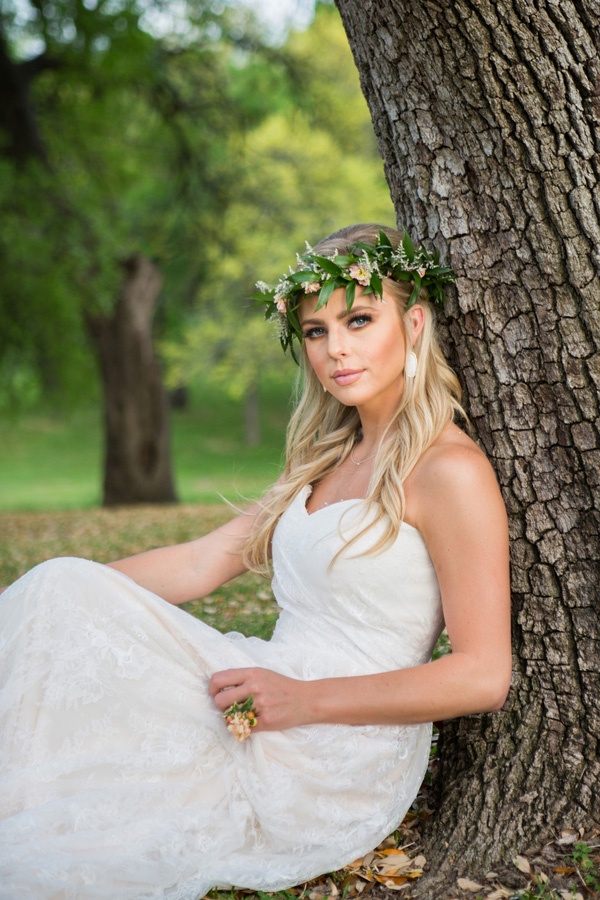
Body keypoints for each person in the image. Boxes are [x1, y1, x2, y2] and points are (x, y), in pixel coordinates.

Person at [0, 224, 511, 899]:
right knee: (58, 588)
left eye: (359, 320)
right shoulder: (327, 459)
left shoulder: (450, 471)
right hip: (268, 689)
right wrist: (54, 599)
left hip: (338, 741)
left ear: (413, 323)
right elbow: (200, 563)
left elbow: (482, 675)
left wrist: (303, 701)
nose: (336, 348)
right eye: (316, 331)